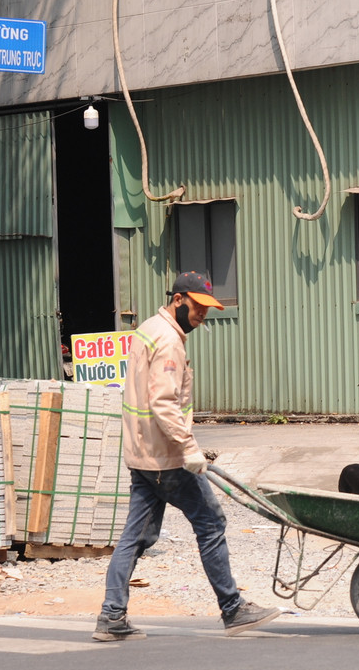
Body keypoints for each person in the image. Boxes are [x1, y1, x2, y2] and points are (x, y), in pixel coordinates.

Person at [95, 271, 280, 641]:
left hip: (142, 454)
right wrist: (188, 448)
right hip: (167, 458)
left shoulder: (148, 328)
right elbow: (163, 402)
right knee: (211, 524)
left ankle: (111, 616)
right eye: (197, 307)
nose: (202, 316)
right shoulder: (168, 342)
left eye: (207, 310)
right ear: (178, 299)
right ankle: (232, 609)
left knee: (136, 536)